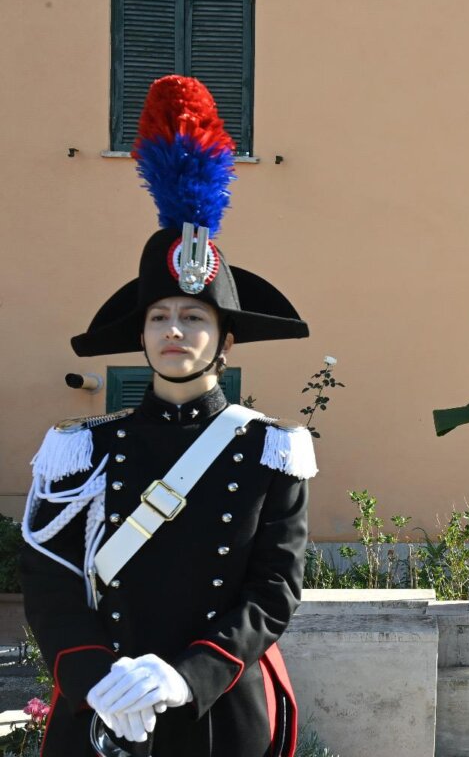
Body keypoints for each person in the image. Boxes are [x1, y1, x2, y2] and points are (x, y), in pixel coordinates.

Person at [21, 75, 316, 757]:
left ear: (226, 338)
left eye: (193, 316)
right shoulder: (81, 449)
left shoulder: (271, 450)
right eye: (159, 317)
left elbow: (274, 587)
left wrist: (187, 678)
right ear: (142, 333)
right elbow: (48, 580)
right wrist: (98, 678)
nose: (174, 330)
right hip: (102, 705)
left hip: (218, 707)